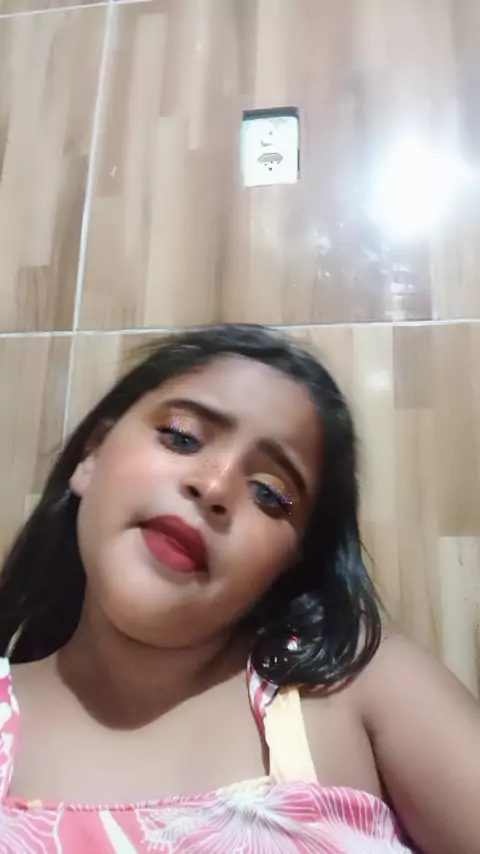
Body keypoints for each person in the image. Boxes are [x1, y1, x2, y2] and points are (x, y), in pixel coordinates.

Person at [0, 324, 478, 854]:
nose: (214, 485)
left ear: (291, 561)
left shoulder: (350, 679)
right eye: (182, 437)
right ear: (92, 455)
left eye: (270, 494)